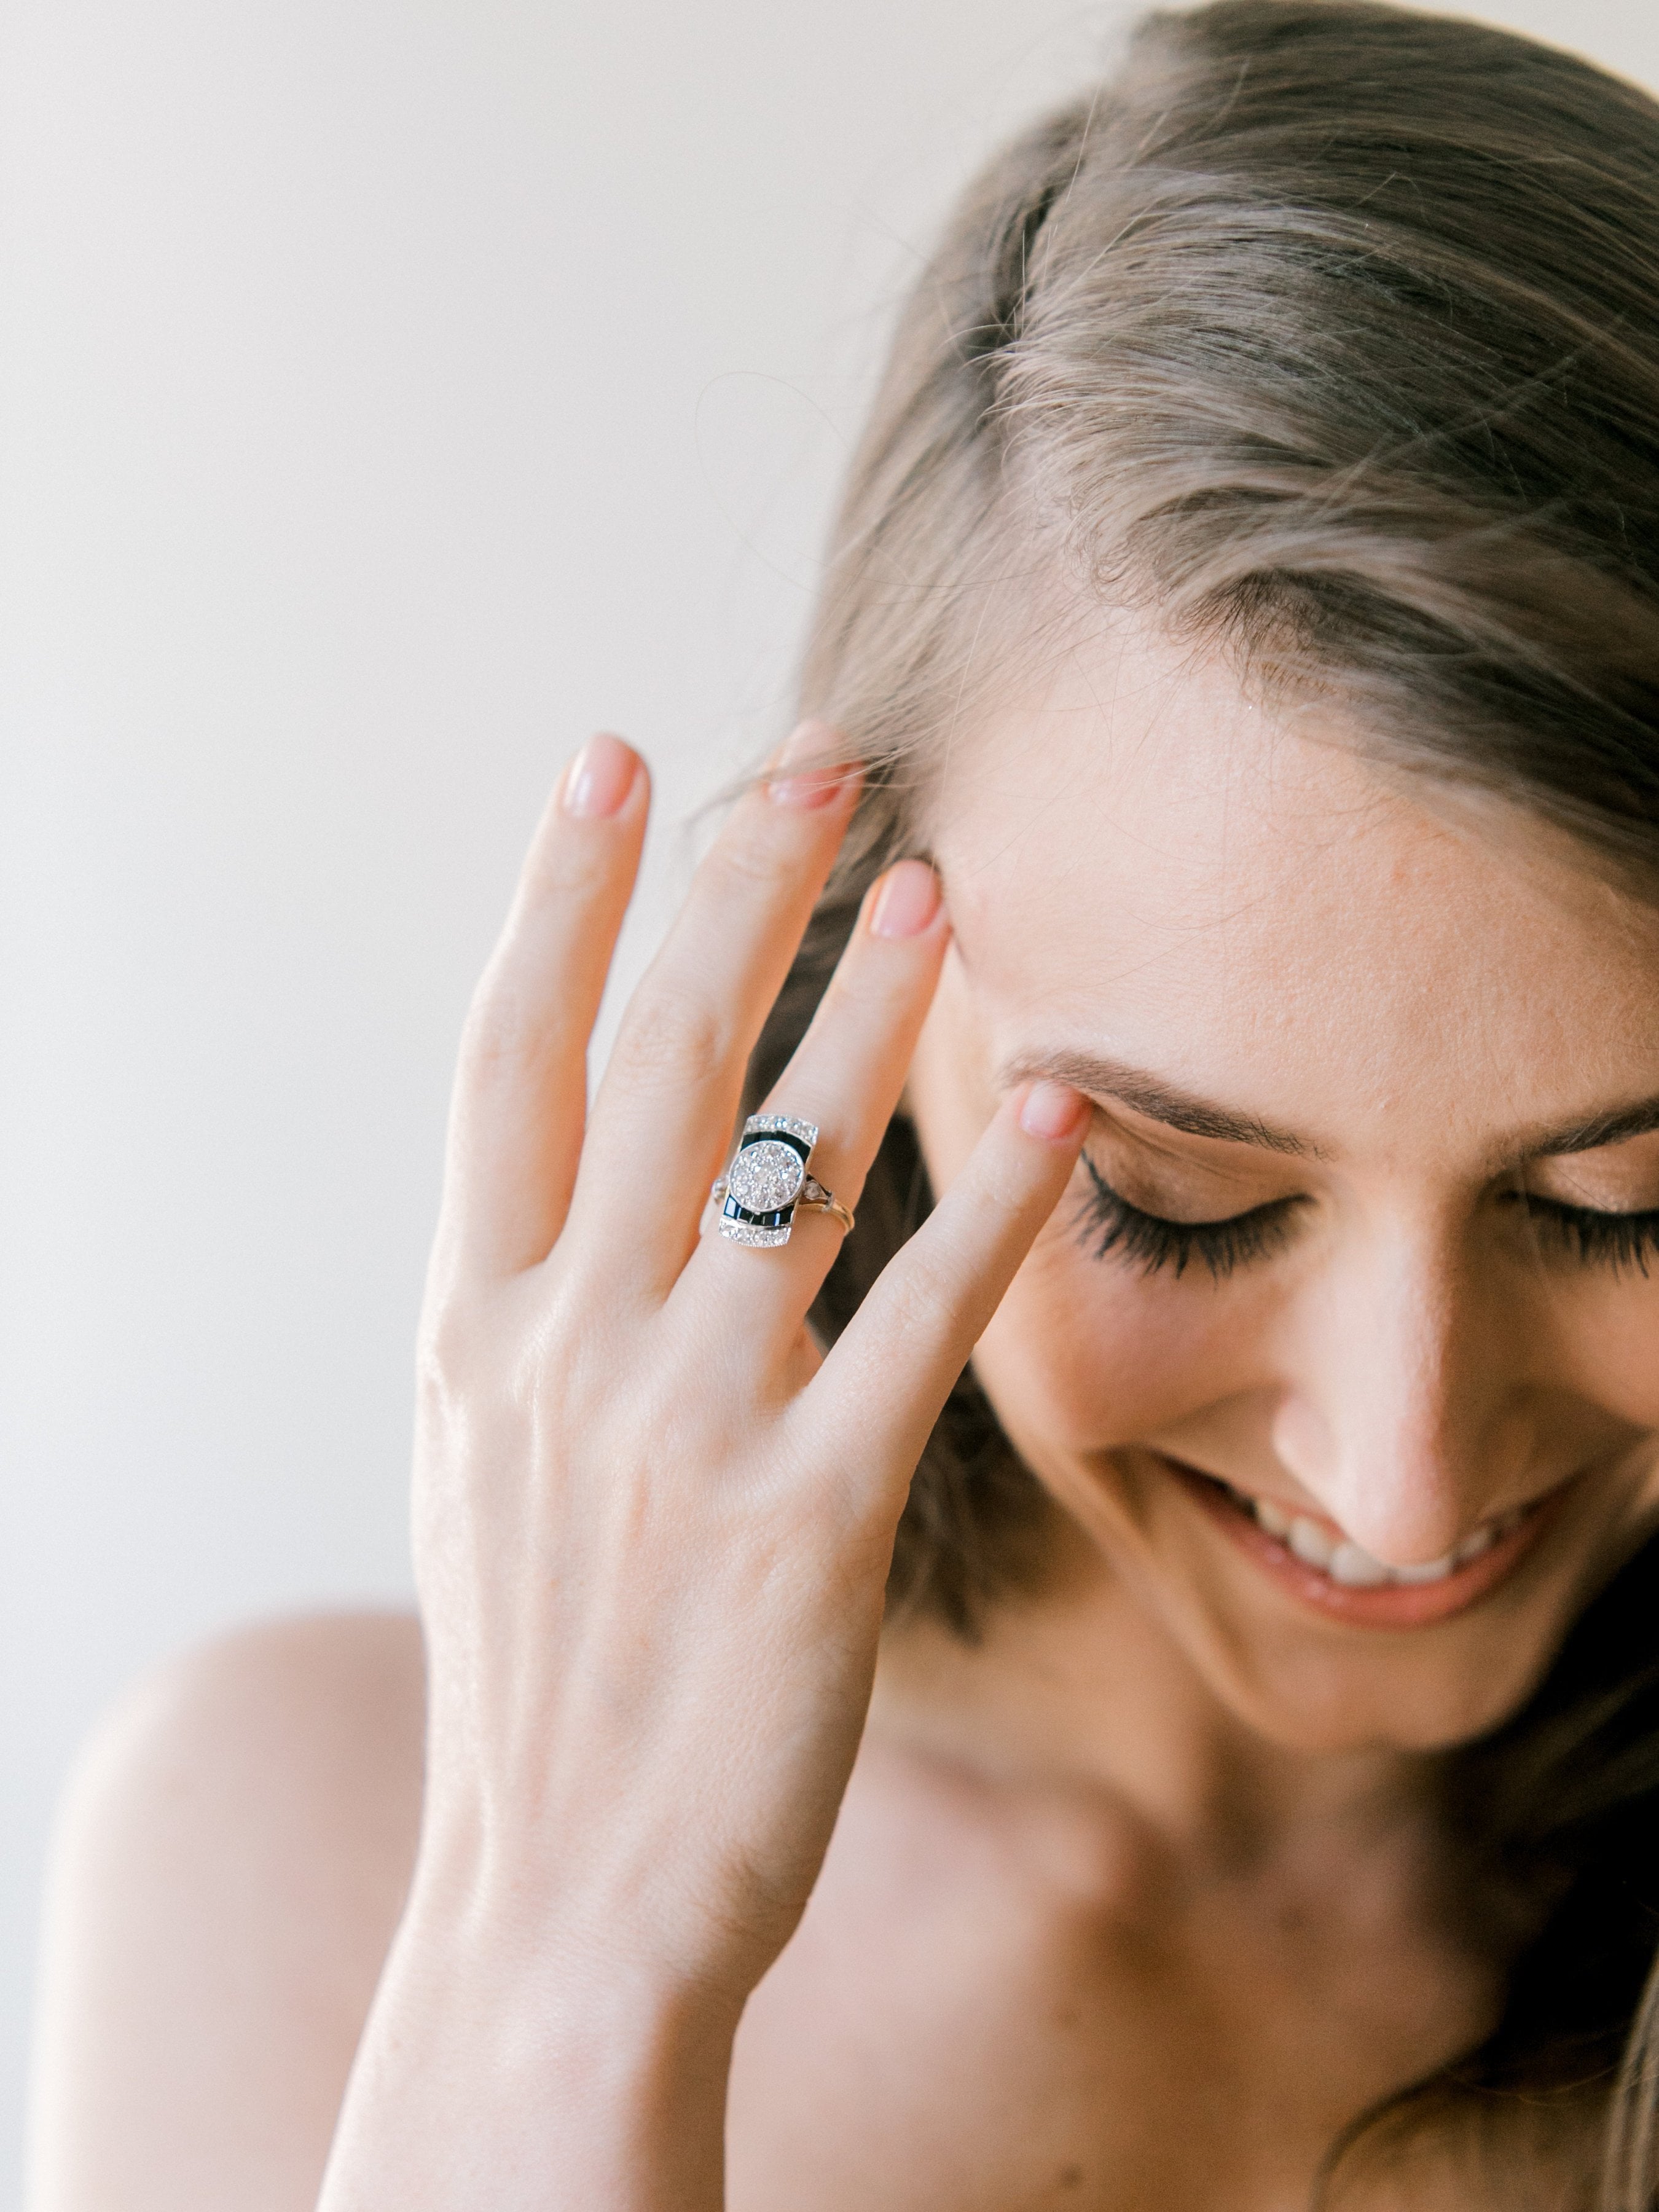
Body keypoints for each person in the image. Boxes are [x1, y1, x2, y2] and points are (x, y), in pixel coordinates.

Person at [28, 1, 1659, 2204]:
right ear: (858, 1016)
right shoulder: (295, 1855)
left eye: (1620, 1200)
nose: (1400, 1470)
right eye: (1170, 1199)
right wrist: (570, 1976)